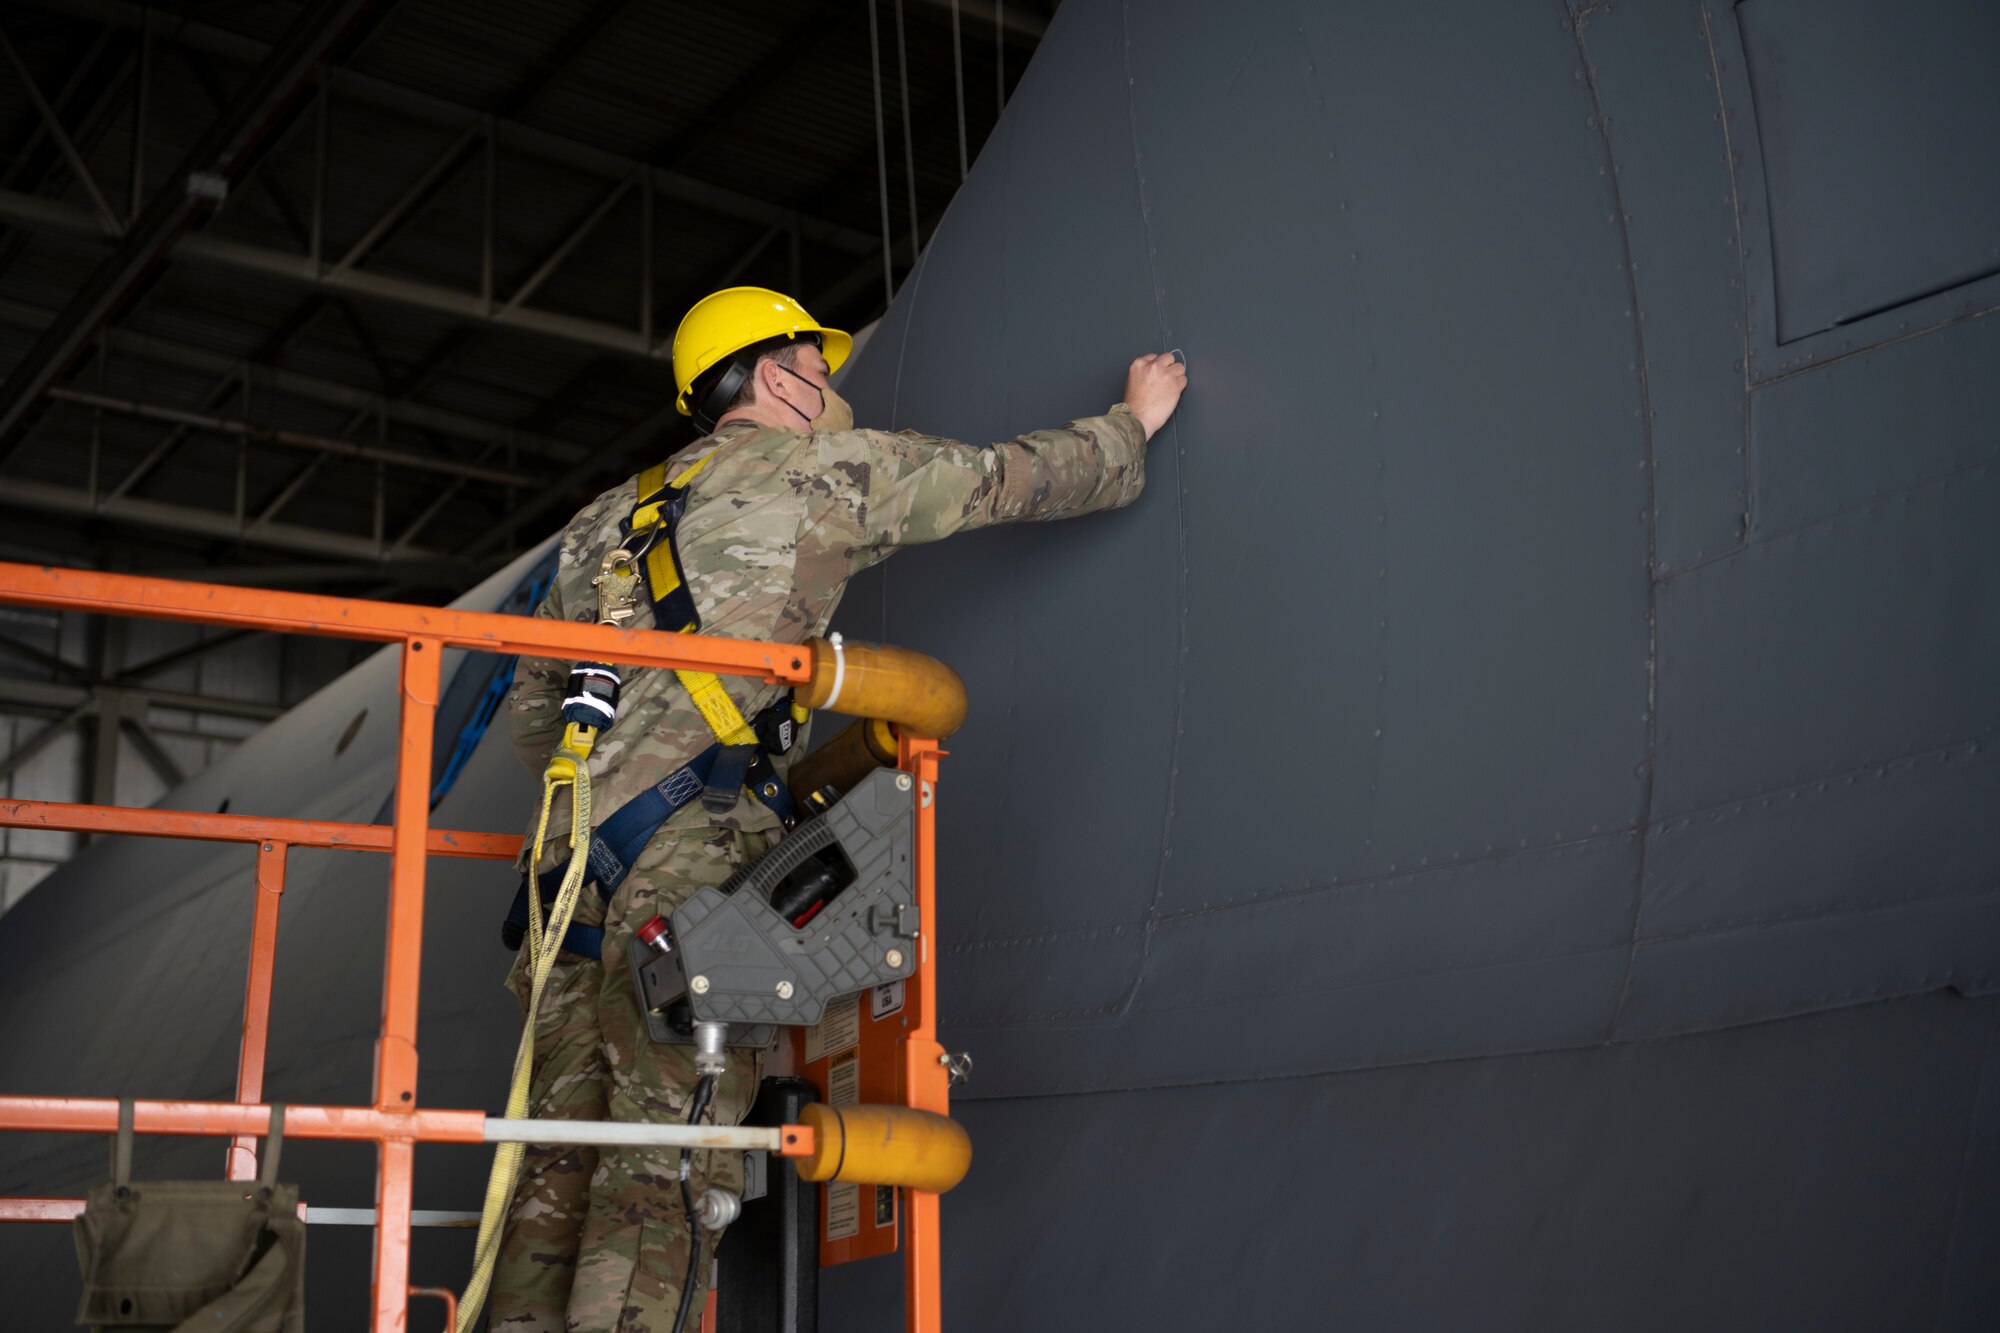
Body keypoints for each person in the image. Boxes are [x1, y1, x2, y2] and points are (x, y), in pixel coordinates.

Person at [491, 286, 1187, 1331]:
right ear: (775, 378)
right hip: (684, 862)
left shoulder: (602, 521)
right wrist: (1131, 425)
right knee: (664, 1171)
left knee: (557, 1171)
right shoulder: (818, 469)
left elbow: (533, 719)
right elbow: (1004, 480)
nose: (831, 391)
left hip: (562, 880)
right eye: (818, 372)